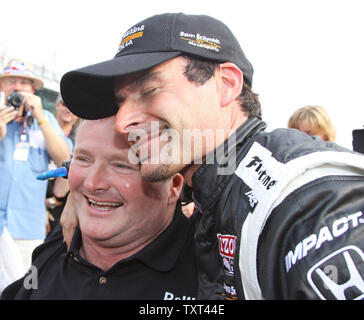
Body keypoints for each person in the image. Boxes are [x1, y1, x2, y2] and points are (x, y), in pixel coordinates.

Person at [59, 13, 364, 300]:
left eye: (149, 91)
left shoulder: (304, 206)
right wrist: (86, 194)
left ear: (227, 85)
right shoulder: (219, 190)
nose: (122, 122)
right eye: (120, 101)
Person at [1, 116, 198, 300]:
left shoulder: (211, 267)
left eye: (122, 166)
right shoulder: (61, 241)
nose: (92, 184)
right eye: (83, 159)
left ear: (173, 187)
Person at [0, 59, 72, 274]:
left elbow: (65, 160)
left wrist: (40, 117)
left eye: (24, 82)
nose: (17, 87)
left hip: (28, 226)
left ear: (32, 89)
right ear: (2, 87)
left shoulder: (46, 119)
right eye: (11, 81)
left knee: (24, 287)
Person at [46, 93, 79, 236]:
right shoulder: (42, 130)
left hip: (63, 206)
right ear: (57, 105)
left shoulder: (82, 139)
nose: (68, 109)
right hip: (34, 202)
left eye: (74, 106)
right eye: (65, 104)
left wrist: (53, 202)